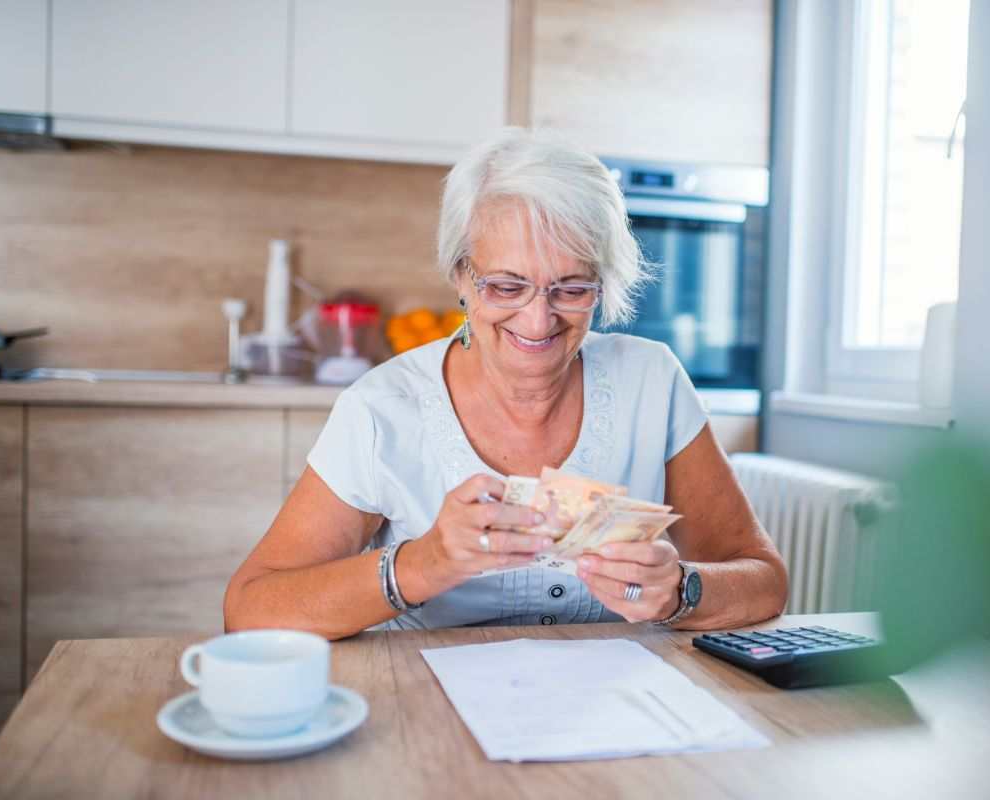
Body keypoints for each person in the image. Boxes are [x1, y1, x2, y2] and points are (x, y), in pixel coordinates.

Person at [224, 128, 788, 638]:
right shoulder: (381, 408)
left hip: (614, 709)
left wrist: (682, 590)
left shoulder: (651, 379)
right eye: (506, 286)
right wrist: (423, 563)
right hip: (429, 714)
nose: (538, 320)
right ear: (460, 276)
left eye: (571, 289)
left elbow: (763, 579)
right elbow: (249, 608)